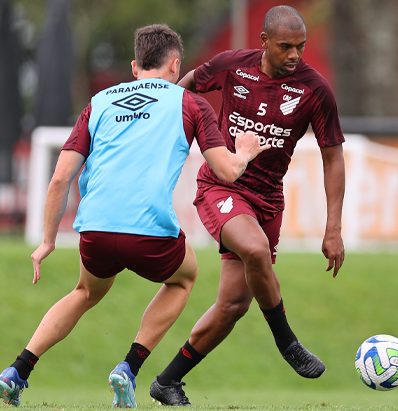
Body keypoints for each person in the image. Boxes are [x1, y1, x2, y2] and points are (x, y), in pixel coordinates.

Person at [0, 24, 267, 408]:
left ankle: (18, 370)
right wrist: (246, 151)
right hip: (148, 231)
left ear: (136, 66)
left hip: (95, 228)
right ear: (176, 66)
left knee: (85, 291)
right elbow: (226, 171)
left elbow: (59, 178)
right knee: (184, 278)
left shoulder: (100, 101)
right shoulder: (190, 103)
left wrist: (48, 240)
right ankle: (129, 367)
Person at [148, 5, 346, 406]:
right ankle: (288, 343)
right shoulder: (231, 67)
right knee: (254, 249)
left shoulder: (315, 89)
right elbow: (182, 89)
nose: (295, 55)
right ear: (264, 42)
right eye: (286, 47)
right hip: (222, 186)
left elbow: (333, 157)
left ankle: (166, 382)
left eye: (301, 47)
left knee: (234, 305)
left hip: (268, 199)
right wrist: (164, 133)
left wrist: (334, 228)